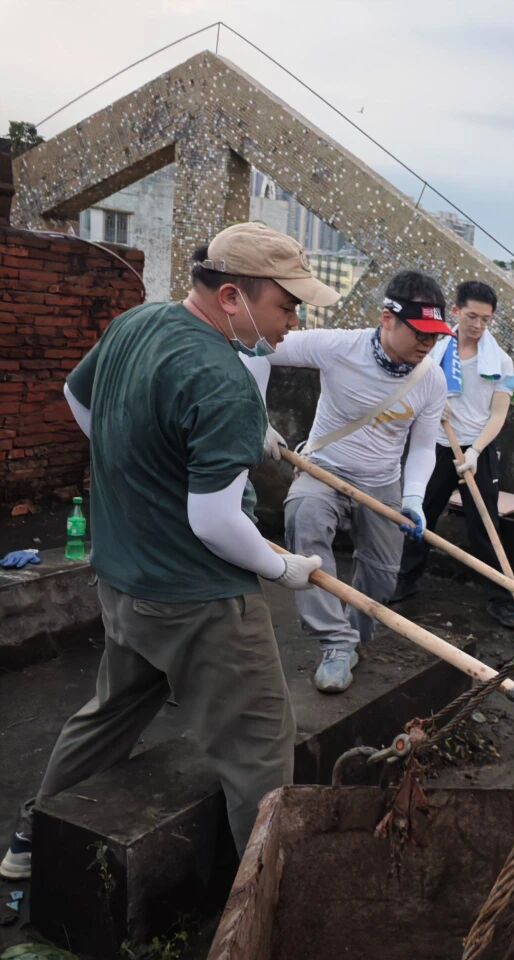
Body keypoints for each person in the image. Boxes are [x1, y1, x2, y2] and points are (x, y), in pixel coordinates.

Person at [0, 222, 333, 879]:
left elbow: (77, 396)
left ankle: (30, 840)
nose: (294, 321)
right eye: (287, 304)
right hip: (198, 598)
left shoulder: (138, 322)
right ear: (233, 297)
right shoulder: (224, 380)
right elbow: (214, 521)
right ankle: (268, 901)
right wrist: (281, 566)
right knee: (260, 746)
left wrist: (143, 470)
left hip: (125, 578)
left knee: (110, 712)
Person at [265, 270, 450, 694]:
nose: (427, 344)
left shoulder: (431, 379)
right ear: (387, 319)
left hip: (382, 481)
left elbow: (424, 447)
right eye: (419, 332)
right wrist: (258, 417)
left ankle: (353, 636)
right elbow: (256, 348)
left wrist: (414, 498)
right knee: (305, 514)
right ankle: (335, 641)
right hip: (324, 468)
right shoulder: (337, 347)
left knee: (383, 578)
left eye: (435, 336)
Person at [395, 280, 514, 629]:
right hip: (436, 444)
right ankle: (403, 581)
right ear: (456, 311)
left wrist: (477, 450)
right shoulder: (435, 349)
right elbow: (410, 385)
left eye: (486, 319)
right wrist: (430, 405)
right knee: (419, 516)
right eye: (472, 316)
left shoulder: (499, 361)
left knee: (485, 526)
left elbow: (498, 415)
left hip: (477, 450)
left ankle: (502, 599)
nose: (478, 325)